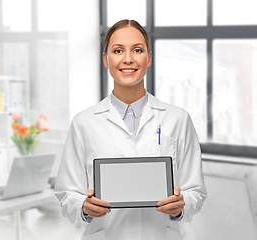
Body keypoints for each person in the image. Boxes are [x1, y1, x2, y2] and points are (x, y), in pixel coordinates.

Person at [54, 19, 207, 240]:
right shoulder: (83, 123)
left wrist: (181, 205)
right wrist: (84, 207)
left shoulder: (178, 119)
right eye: (117, 50)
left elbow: (196, 190)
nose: (128, 59)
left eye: (137, 50)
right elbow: (67, 193)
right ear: (106, 60)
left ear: (149, 58)